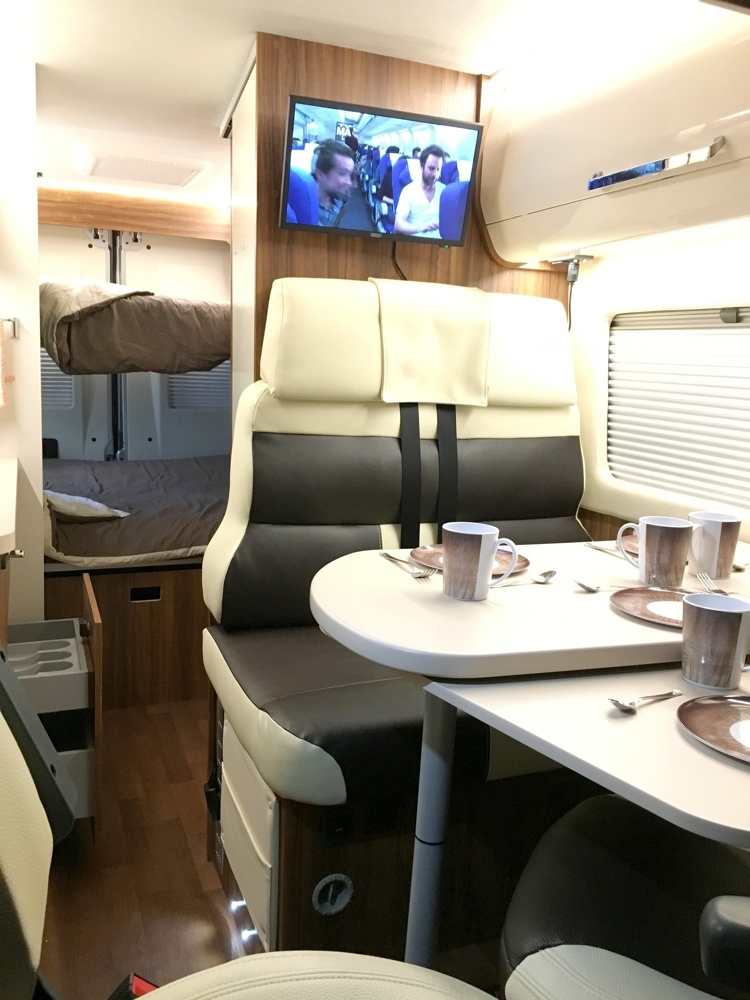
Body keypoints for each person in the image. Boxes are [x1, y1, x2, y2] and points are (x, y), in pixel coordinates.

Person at [394, 144, 445, 236]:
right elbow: (398, 225)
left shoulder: (445, 191)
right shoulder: (409, 191)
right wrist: (420, 228)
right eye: (431, 168)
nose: (435, 174)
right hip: (416, 240)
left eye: (438, 169)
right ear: (422, 166)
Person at [312, 139, 356, 227]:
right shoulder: (302, 207)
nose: (349, 183)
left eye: (350, 174)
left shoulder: (342, 198)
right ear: (320, 174)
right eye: (342, 173)